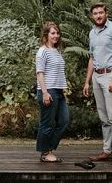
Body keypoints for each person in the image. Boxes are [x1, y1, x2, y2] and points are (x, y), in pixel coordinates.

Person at [83, 2, 112, 165]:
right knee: (103, 116)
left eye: (101, 12)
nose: (98, 16)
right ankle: (107, 151)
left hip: (111, 75)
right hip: (96, 76)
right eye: (95, 13)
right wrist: (87, 81)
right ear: (92, 16)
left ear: (106, 13)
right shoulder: (92, 33)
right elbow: (92, 58)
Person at [35, 21, 69, 163]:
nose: (56, 36)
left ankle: (49, 148)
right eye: (52, 33)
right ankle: (45, 153)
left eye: (57, 33)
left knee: (64, 121)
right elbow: (40, 73)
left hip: (59, 92)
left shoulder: (56, 51)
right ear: (46, 35)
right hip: (48, 91)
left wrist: (63, 92)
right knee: (47, 124)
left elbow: (58, 73)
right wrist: (45, 93)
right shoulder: (42, 51)